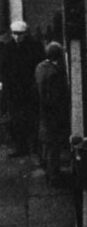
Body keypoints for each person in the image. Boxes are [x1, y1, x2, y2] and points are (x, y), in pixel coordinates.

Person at [0, 21, 44, 158]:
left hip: (29, 89)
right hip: (13, 90)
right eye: (14, 34)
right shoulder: (8, 48)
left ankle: (34, 147)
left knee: (32, 119)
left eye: (20, 34)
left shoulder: (34, 47)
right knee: (16, 121)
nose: (17, 37)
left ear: (26, 34)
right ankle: (21, 147)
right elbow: (3, 68)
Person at [36, 42, 70, 185]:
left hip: (43, 112)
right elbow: (56, 97)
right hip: (53, 113)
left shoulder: (40, 67)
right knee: (53, 146)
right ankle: (53, 176)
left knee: (46, 144)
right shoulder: (55, 73)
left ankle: (48, 171)